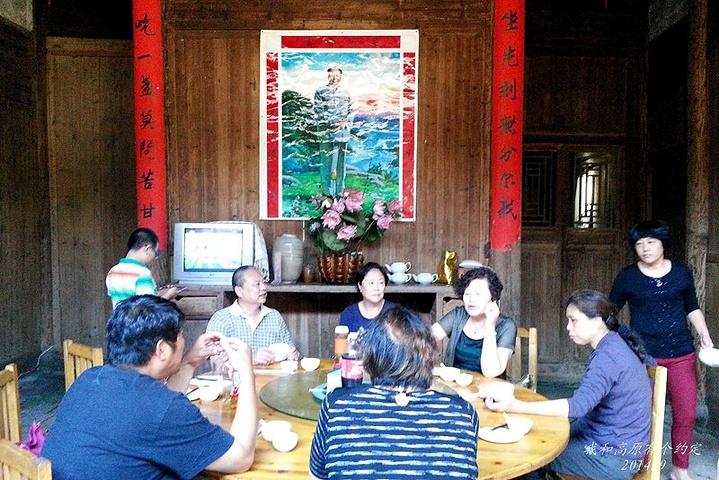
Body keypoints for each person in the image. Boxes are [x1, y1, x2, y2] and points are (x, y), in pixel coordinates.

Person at [42, 295, 259, 479]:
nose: (183, 342)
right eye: (181, 336)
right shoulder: (162, 408)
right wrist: (246, 371)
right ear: (162, 349)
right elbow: (240, 458)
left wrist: (189, 363)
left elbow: (155, 414)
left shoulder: (89, 378)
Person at [486, 289, 652, 480]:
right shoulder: (615, 342)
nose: (568, 327)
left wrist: (515, 406)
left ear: (597, 321)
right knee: (539, 431)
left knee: (527, 453)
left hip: (612, 456)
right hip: (610, 440)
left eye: (574, 320)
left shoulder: (608, 356)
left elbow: (578, 407)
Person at [309, 305, 479, 479]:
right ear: (428, 356)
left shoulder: (336, 406)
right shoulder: (463, 413)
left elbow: (316, 477)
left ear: (370, 357)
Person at [609, 220, 714, 480]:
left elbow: (692, 306)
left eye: (651, 242)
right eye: (639, 244)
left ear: (662, 244)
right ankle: (642, 467)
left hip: (681, 353)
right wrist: (618, 341)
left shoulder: (681, 274)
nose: (645, 248)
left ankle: (680, 469)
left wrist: (704, 333)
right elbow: (610, 312)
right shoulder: (627, 277)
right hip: (644, 357)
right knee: (642, 414)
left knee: (686, 414)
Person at [431, 266, 517, 378]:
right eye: (467, 293)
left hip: (490, 387)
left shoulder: (506, 326)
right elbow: (427, 337)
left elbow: (490, 372)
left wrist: (490, 327)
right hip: (456, 385)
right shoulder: (458, 315)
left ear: (493, 297)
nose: (471, 299)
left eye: (478, 294)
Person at [206, 265, 299, 365]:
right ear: (239, 291)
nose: (264, 288)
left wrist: (292, 356)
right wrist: (251, 358)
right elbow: (216, 364)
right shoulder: (221, 319)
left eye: (264, 283)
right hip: (238, 376)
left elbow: (289, 350)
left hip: (271, 375)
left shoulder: (274, 317)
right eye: (257, 284)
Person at [105, 227, 179, 307]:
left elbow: (131, 300)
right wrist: (169, 295)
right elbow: (149, 306)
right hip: (139, 316)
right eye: (156, 253)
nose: (154, 257)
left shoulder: (112, 272)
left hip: (119, 315)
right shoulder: (142, 273)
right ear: (148, 249)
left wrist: (157, 294)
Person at [314, 66, 352, 196]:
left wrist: (347, 121)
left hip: (343, 133)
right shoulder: (320, 91)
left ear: (341, 77)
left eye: (337, 76)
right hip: (327, 133)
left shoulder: (345, 92)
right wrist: (335, 122)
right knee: (327, 162)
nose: (334, 78)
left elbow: (351, 110)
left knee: (341, 163)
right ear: (327, 76)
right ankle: (327, 192)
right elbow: (319, 111)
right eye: (331, 75)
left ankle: (340, 192)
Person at [338, 262, 396, 332]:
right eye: (371, 283)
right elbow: (341, 338)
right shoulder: (349, 314)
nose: (376, 288)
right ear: (360, 286)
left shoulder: (395, 313)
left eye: (381, 283)